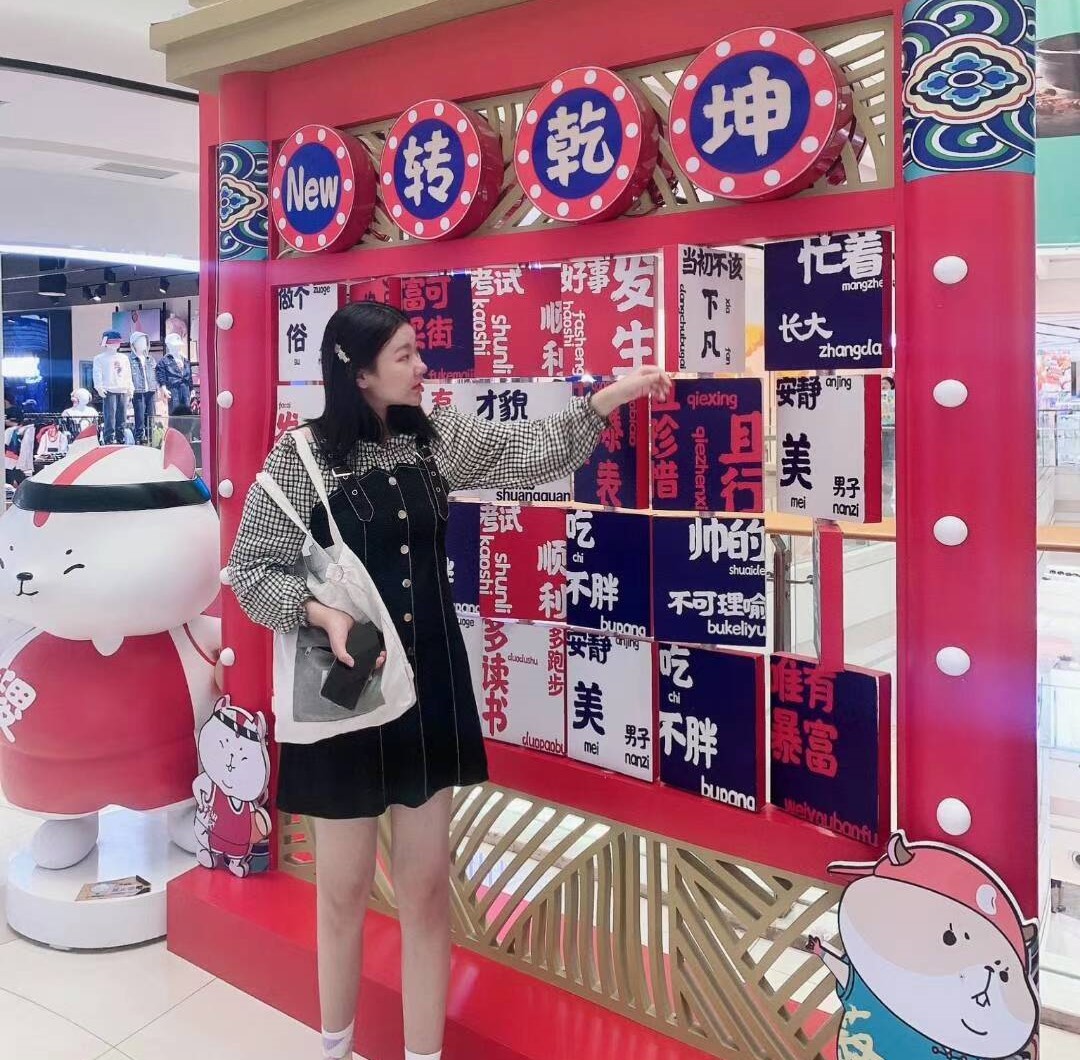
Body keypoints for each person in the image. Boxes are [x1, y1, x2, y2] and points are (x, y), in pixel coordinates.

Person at [229, 301, 670, 1060]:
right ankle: (334, 1047)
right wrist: (319, 614)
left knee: (427, 890)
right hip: (346, 698)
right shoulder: (298, 459)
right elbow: (248, 571)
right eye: (405, 355)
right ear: (358, 373)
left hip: (429, 686)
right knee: (341, 893)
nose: (422, 366)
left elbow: (528, 451)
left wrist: (609, 398)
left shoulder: (433, 440)